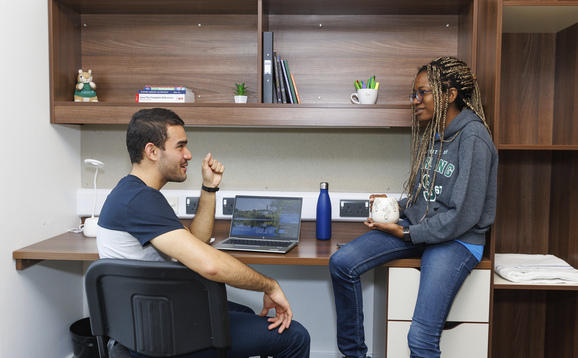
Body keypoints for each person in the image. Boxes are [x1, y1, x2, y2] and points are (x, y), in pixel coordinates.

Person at [96, 108, 310, 358]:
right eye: (180, 146)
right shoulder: (140, 200)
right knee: (295, 337)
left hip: (143, 322)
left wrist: (209, 187)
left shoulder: (132, 193)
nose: (187, 154)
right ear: (152, 151)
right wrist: (269, 285)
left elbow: (196, 242)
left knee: (245, 313)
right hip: (161, 336)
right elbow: (210, 266)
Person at [329, 57, 498, 358]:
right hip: (421, 231)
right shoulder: (436, 135)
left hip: (457, 240)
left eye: (423, 92)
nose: (415, 101)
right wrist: (395, 205)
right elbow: (428, 197)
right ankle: (354, 354)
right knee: (342, 263)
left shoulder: (474, 138)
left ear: (449, 95)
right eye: (414, 94)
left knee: (420, 339)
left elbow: (462, 214)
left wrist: (407, 234)